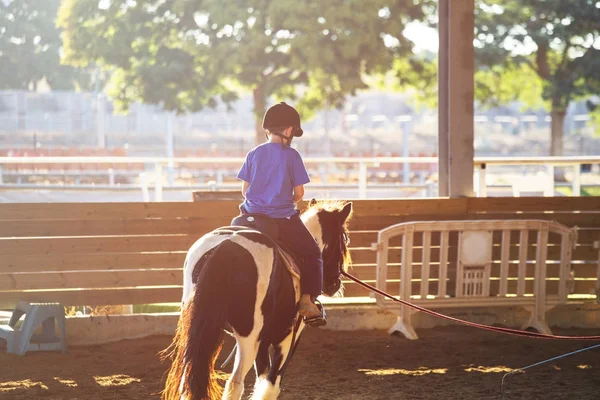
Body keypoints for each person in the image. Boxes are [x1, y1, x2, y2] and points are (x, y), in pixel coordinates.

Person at [236, 101, 324, 322]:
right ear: (288, 131)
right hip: (282, 218)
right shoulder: (292, 156)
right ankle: (307, 299)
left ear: (267, 129)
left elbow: (245, 190)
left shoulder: (254, 153)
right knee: (313, 253)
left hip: (250, 217)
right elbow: (299, 193)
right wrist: (286, 199)